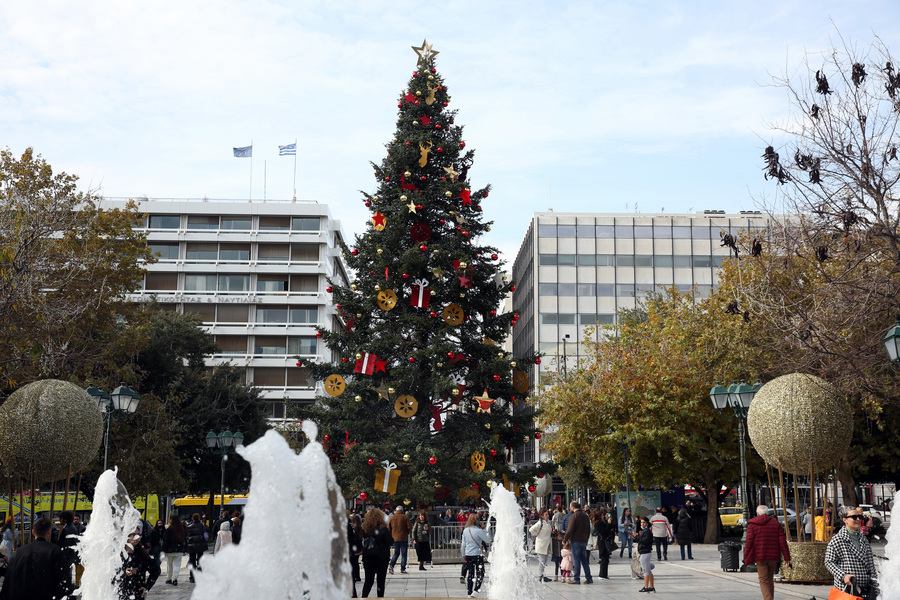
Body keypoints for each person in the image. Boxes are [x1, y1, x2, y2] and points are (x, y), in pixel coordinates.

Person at [0, 517, 72, 600]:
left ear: (33, 532)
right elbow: (64, 580)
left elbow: (9, 579)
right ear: (49, 532)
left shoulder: (19, 552)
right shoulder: (54, 550)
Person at [824, 507, 879, 600]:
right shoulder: (838, 539)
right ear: (845, 519)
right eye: (854, 517)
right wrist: (843, 576)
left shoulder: (863, 538)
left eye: (859, 516)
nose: (858, 519)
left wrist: (876, 585)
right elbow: (829, 562)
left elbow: (870, 565)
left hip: (866, 590)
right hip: (847, 589)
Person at [743, 505, 792, 600]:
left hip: (760, 556)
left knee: (763, 580)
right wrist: (787, 557)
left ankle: (768, 598)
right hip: (773, 556)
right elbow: (783, 542)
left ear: (757, 513)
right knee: (769, 579)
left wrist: (746, 556)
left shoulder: (752, 525)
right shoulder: (776, 524)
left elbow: (748, 542)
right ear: (767, 513)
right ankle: (770, 598)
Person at [119, 528, 160, 599]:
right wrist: (124, 572)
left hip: (137, 593)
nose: (136, 537)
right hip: (122, 592)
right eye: (132, 535)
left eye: (138, 534)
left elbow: (155, 571)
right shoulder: (119, 554)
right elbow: (111, 574)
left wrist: (147, 587)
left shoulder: (142, 554)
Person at [360, 508, 392, 598]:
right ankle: (380, 597)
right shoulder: (383, 529)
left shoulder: (365, 529)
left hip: (368, 557)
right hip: (381, 557)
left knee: (368, 581)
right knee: (380, 581)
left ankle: (364, 597)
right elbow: (390, 542)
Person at [561, 501, 593, 584]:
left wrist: (565, 540)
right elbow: (589, 529)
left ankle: (576, 578)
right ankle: (589, 578)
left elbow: (570, 530)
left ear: (573, 507)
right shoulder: (585, 516)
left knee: (576, 560)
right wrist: (586, 539)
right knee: (584, 560)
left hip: (575, 541)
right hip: (583, 541)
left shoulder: (573, 516)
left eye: (570, 506)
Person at [461, 513, 491, 598]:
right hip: (477, 554)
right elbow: (488, 540)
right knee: (480, 573)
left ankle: (469, 592)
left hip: (468, 553)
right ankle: (476, 590)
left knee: (470, 573)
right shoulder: (479, 531)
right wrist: (484, 530)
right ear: (477, 521)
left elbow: (463, 544)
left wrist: (463, 555)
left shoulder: (466, 530)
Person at [162, 514, 187, 586]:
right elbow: (184, 540)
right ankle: (175, 579)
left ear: (172, 520)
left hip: (170, 550)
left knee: (169, 565)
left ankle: (169, 578)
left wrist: (163, 549)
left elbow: (165, 540)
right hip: (179, 550)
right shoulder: (182, 529)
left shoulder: (169, 529)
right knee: (177, 565)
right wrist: (184, 549)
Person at [529, 508, 553, 582]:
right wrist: (536, 534)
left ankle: (543, 574)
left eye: (548, 514)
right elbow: (531, 529)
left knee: (544, 561)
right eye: (546, 515)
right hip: (541, 544)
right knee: (542, 561)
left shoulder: (548, 522)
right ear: (542, 516)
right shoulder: (540, 523)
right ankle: (540, 576)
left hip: (546, 544)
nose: (547, 516)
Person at [387, 506, 411, 575]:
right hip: (404, 538)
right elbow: (409, 527)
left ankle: (391, 566)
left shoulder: (392, 518)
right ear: (402, 510)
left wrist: (392, 534)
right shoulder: (405, 517)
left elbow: (388, 528)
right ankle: (403, 569)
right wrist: (406, 532)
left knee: (396, 553)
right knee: (404, 554)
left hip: (395, 538)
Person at [634, 515, 655, 593]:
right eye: (641, 522)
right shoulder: (645, 531)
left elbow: (644, 541)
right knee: (648, 570)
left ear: (647, 523)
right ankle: (651, 586)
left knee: (645, 570)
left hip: (645, 552)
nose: (642, 524)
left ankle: (646, 587)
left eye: (644, 522)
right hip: (645, 552)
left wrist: (637, 537)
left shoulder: (647, 531)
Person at [591, 508, 612, 581]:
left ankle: (604, 574)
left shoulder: (602, 522)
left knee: (606, 558)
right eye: (602, 515)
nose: (603, 516)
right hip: (602, 542)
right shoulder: (598, 524)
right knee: (603, 558)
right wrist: (608, 524)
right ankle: (602, 575)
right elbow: (604, 531)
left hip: (604, 541)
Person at [186, 513, 207, 583]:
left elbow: (187, 536)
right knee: (200, 561)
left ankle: (192, 577)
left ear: (192, 518)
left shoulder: (189, 526)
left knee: (192, 561)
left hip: (192, 546)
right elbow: (206, 533)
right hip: (200, 545)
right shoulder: (202, 526)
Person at [348, 514, 363, 597]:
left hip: (355, 548)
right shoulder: (360, 527)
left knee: (354, 563)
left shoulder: (353, 528)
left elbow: (353, 538)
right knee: (356, 563)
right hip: (359, 548)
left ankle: (356, 576)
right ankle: (357, 576)